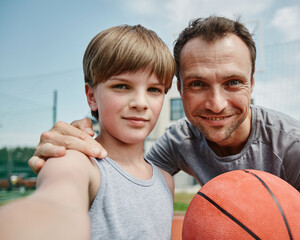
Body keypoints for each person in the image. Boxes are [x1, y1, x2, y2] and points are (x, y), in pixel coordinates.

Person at [28, 16, 300, 239]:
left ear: (252, 83)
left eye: (233, 82)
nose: (216, 104)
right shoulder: (175, 144)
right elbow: (111, 178)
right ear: (178, 88)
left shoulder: (297, 147)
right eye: (198, 84)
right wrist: (76, 138)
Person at [0, 24, 176, 240]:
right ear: (91, 96)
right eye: (121, 86)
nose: (141, 103)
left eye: (154, 90)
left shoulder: (165, 180)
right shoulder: (75, 161)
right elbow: (57, 202)